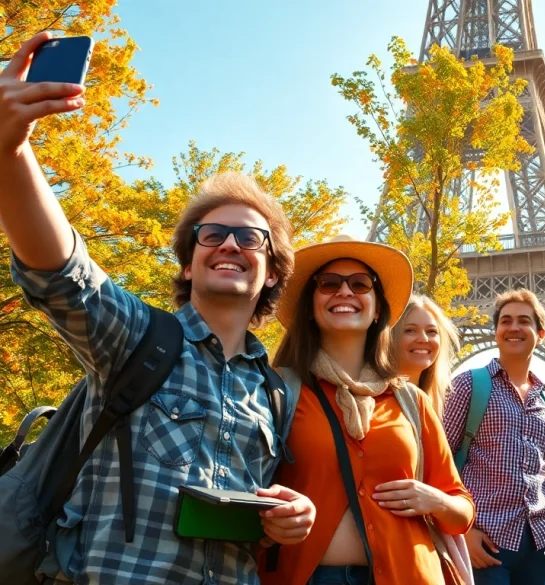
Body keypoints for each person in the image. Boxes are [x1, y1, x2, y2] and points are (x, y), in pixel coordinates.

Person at [0, 33, 315, 584]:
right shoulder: (136, 338)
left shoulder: (274, 392)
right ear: (189, 265)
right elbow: (64, 275)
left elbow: (244, 514)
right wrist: (10, 151)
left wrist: (286, 518)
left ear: (271, 274)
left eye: (251, 238)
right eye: (212, 234)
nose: (230, 244)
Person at [260, 235, 475, 585]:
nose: (345, 292)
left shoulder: (411, 401)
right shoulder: (277, 389)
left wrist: (434, 500)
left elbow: (461, 510)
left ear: (377, 309)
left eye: (360, 284)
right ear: (310, 306)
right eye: (329, 284)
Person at [443, 288, 545, 585]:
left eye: (524, 321)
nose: (514, 327)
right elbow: (439, 459)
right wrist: (460, 532)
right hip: (484, 541)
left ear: (541, 332)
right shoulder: (469, 385)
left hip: (536, 546)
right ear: (495, 331)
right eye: (505, 321)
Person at [391, 293, 461, 416]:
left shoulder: (441, 406)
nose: (423, 339)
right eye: (410, 330)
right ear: (389, 337)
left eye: (431, 331)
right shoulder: (371, 401)